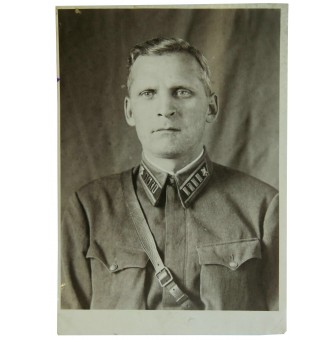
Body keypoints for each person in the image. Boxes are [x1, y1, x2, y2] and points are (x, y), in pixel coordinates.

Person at [60, 37, 279, 310]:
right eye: (148, 93)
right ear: (130, 111)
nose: (165, 109)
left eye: (182, 92)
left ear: (211, 107)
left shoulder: (263, 208)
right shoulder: (88, 210)